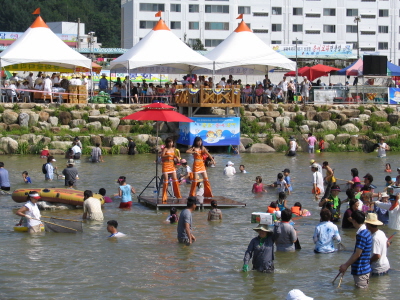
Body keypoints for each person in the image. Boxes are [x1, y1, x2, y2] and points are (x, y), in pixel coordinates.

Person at [339, 210, 372, 289]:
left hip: (361, 270)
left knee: (361, 294)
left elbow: (357, 254)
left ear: (354, 220)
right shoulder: (366, 232)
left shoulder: (362, 235)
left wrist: (345, 265)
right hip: (364, 268)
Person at [161, 137, 182, 202]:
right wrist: (167, 156)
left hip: (172, 165)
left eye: (171, 142)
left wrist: (178, 158)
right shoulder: (165, 149)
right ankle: (164, 197)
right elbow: (162, 156)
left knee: (175, 181)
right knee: (166, 181)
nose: (170, 143)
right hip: (166, 165)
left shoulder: (174, 149)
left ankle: (178, 195)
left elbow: (175, 155)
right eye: (169, 142)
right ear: (167, 143)